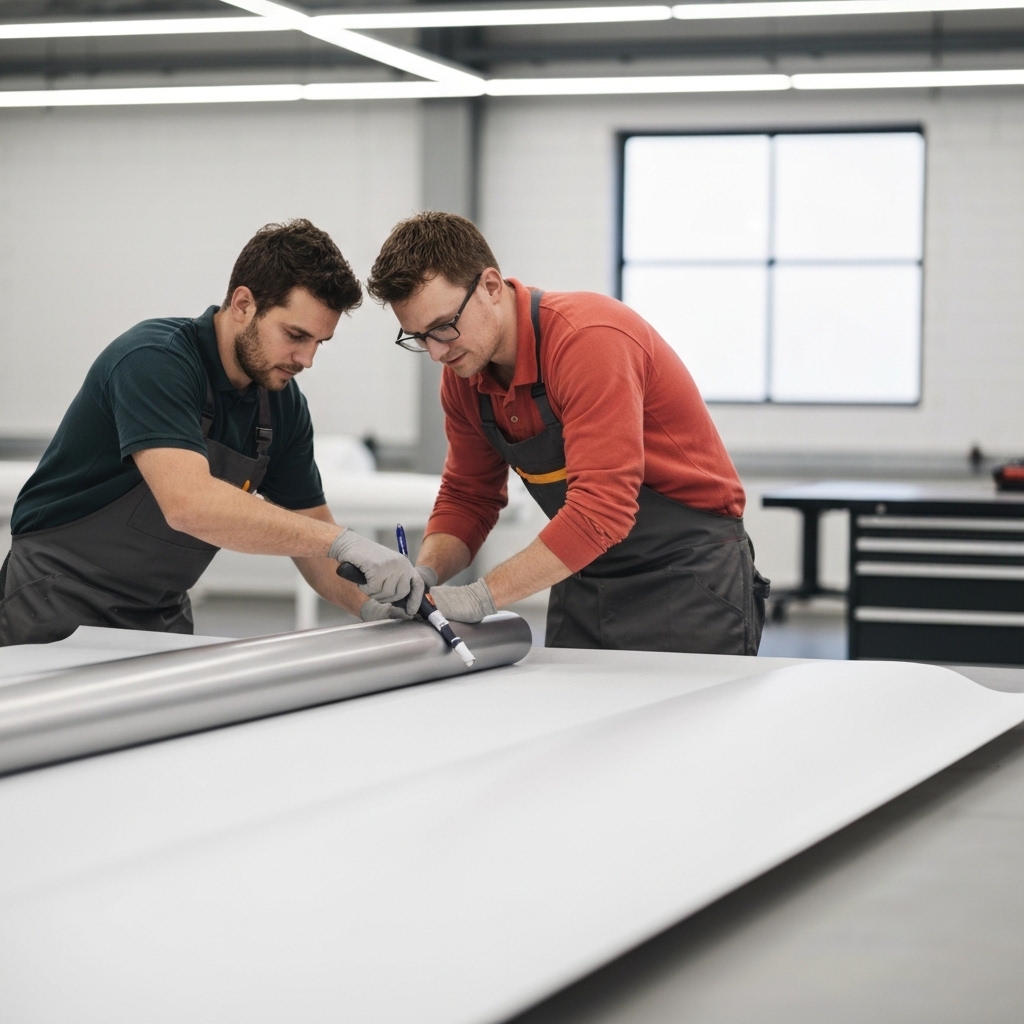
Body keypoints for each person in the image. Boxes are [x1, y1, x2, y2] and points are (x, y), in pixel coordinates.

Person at [0, 219, 424, 646]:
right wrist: (341, 541)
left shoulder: (282, 406)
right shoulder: (154, 360)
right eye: (295, 335)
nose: (306, 359)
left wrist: (374, 608)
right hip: (56, 601)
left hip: (158, 614)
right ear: (243, 304)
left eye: (319, 342)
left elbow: (313, 541)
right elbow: (189, 504)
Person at [364, 212, 769, 654]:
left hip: (688, 576)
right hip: (584, 572)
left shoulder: (588, 341)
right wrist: (425, 575)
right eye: (419, 337)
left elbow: (602, 510)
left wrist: (481, 596)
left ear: (491, 287)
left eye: (444, 326)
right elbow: (468, 496)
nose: (436, 352)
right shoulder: (464, 374)